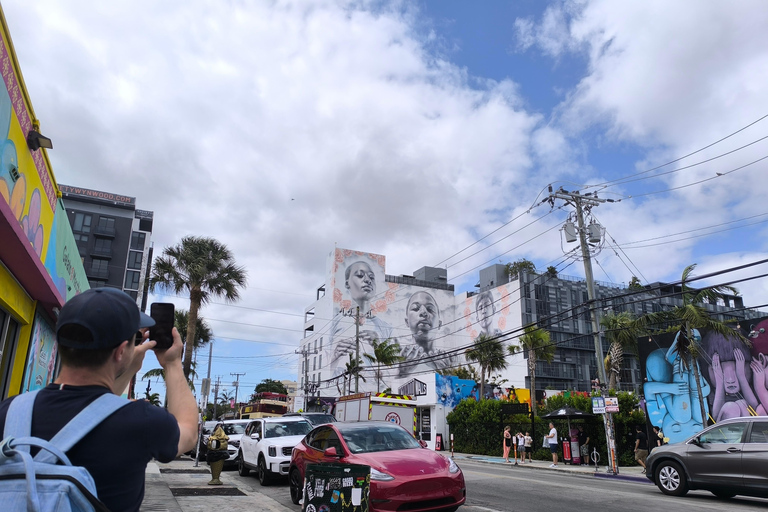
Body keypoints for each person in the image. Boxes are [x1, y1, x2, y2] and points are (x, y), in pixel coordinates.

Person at [0, 288, 198, 512]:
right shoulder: (141, 421)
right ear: (120, 351)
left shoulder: (9, 411)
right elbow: (189, 432)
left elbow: (96, 409)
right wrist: (172, 363)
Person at [399, 291, 455, 376]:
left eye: (430, 309)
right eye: (415, 308)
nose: (423, 312)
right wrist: (402, 372)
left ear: (439, 324)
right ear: (407, 322)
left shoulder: (449, 361)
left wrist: (449, 373)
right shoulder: (399, 361)